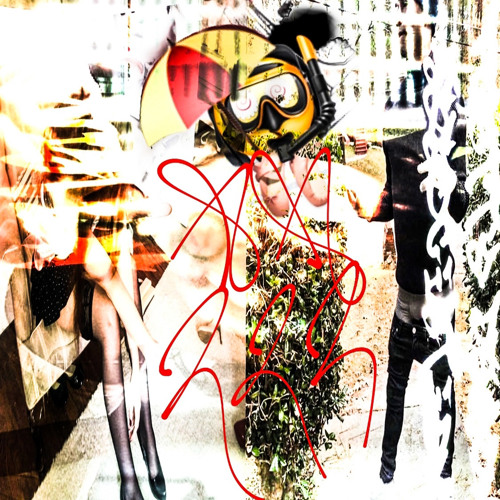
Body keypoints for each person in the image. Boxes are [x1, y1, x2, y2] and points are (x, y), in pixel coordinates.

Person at [3, 60, 167, 500]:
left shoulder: (96, 164)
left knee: (119, 272)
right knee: (109, 297)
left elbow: (122, 267)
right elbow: (97, 270)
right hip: (56, 283)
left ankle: (138, 454)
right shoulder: (45, 172)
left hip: (94, 264)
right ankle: (135, 461)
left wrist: (138, 373)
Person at [347, 0, 468, 485]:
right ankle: (389, 471)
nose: (399, 25)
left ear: (430, 22)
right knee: (399, 385)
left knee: (440, 385)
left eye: (408, 15)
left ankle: (442, 470)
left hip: (436, 285)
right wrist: (372, 208)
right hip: (409, 283)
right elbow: (396, 189)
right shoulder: (401, 93)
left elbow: (460, 195)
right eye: (397, 18)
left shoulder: (447, 91)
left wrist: (441, 177)